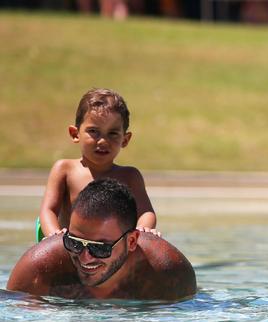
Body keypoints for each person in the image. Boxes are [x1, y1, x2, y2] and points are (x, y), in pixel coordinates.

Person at [8, 179, 196, 301]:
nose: (85, 258)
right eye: (74, 242)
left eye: (100, 248)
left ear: (131, 241)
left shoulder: (167, 273)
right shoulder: (39, 268)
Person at [38, 88, 159, 241]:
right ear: (75, 134)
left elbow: (146, 213)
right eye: (94, 131)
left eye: (113, 133)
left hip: (110, 250)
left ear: (125, 139)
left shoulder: (129, 176)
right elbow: (48, 210)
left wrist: (143, 230)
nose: (103, 141)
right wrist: (54, 235)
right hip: (70, 246)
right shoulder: (65, 170)